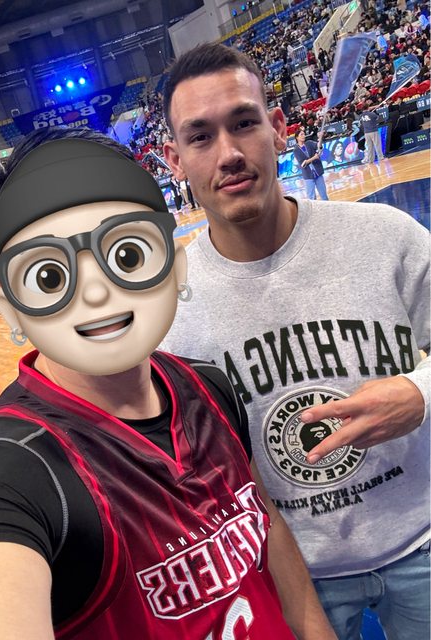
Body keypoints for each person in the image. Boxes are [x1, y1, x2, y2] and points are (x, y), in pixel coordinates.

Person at [0, 127, 336, 640]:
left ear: (175, 266)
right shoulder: (12, 475)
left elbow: (268, 528)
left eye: (127, 256)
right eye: (50, 277)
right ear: (11, 310)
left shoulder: (209, 385)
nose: (96, 293)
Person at [161, 42, 430, 639]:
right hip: (293, 577)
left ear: (279, 127)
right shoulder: (167, 304)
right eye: (201, 136)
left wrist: (421, 392)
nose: (229, 153)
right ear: (175, 159)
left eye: (244, 123)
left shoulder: (386, 236)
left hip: (422, 540)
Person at [292, 130, 329, 200]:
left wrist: (320, 138)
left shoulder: (309, 143)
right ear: (297, 137)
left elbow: (319, 146)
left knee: (324, 196)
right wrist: (314, 158)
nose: (304, 136)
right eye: (301, 134)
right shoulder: (296, 150)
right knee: (311, 198)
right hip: (308, 176)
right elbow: (303, 164)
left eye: (304, 134)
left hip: (318, 173)